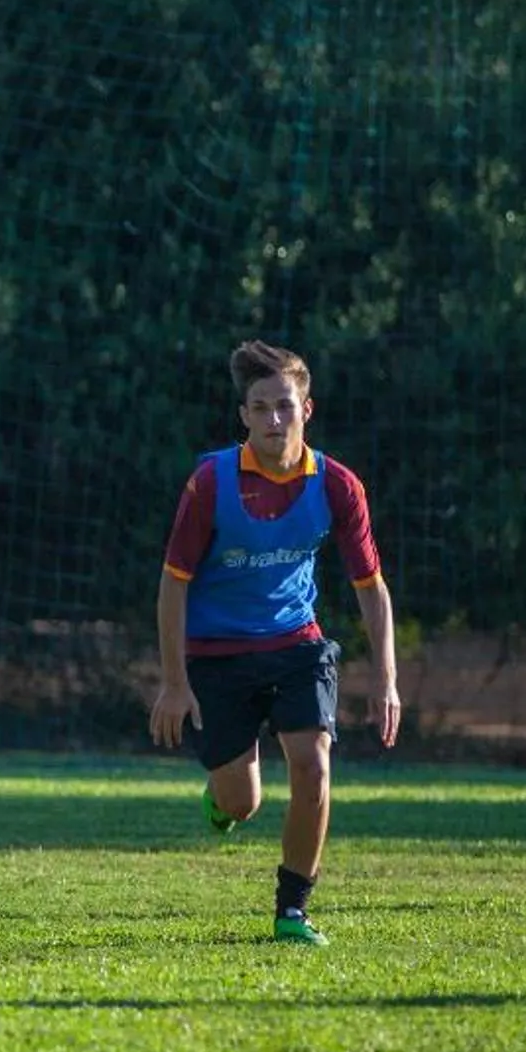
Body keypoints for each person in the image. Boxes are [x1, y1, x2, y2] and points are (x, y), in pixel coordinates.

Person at [149, 339, 402, 946]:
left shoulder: (338, 486)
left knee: (314, 767)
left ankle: (292, 911)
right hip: (217, 654)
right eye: (260, 408)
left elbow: (371, 587)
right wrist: (175, 684)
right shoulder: (211, 482)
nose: (273, 419)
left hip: (297, 646)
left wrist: (387, 678)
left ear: (306, 410)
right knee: (241, 804)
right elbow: (172, 586)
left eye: (285, 406)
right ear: (244, 415)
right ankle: (224, 795)